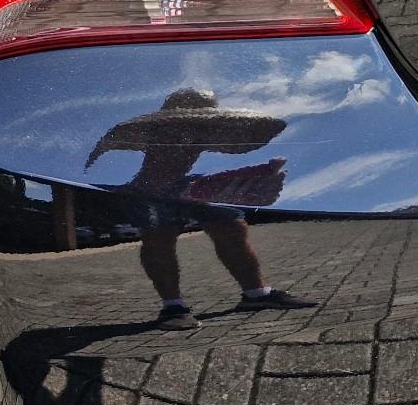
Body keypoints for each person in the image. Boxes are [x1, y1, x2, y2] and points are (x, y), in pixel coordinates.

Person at [85, 87, 314, 329]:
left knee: (232, 226)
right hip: (150, 187)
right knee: (159, 236)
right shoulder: (158, 130)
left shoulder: (201, 133)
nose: (191, 136)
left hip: (190, 183)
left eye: (200, 124)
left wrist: (255, 179)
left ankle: (257, 293)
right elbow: (159, 164)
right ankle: (173, 306)